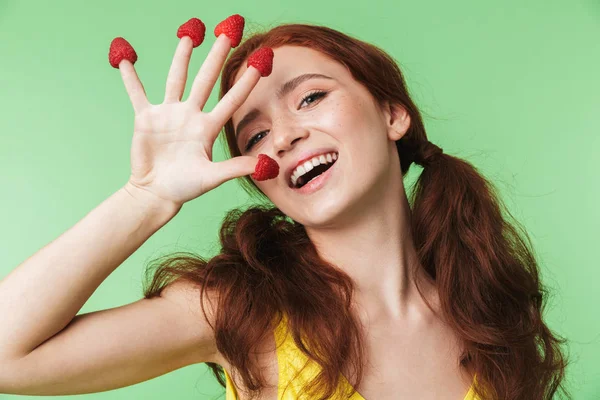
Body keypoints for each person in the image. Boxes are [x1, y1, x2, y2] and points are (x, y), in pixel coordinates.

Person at [0, 19, 570, 400]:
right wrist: (146, 197)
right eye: (253, 137)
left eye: (311, 97)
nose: (283, 137)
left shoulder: (488, 316)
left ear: (394, 115)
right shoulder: (239, 311)